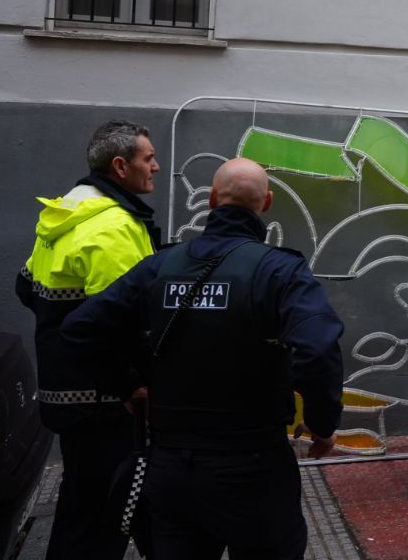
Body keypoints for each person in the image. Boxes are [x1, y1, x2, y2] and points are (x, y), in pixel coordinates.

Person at [61, 157, 344, 560]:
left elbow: (80, 329)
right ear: (266, 203)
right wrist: (321, 423)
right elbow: (318, 349)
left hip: (172, 471)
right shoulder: (280, 272)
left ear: (211, 199)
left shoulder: (160, 266)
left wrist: (126, 384)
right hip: (254, 470)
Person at [16, 119, 161, 560]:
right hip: (105, 402)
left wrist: (59, 326)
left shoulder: (65, 213)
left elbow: (26, 286)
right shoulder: (112, 227)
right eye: (148, 157)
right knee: (108, 512)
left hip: (66, 393)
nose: (156, 166)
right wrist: (132, 384)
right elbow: (121, 323)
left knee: (86, 504)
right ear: (120, 166)